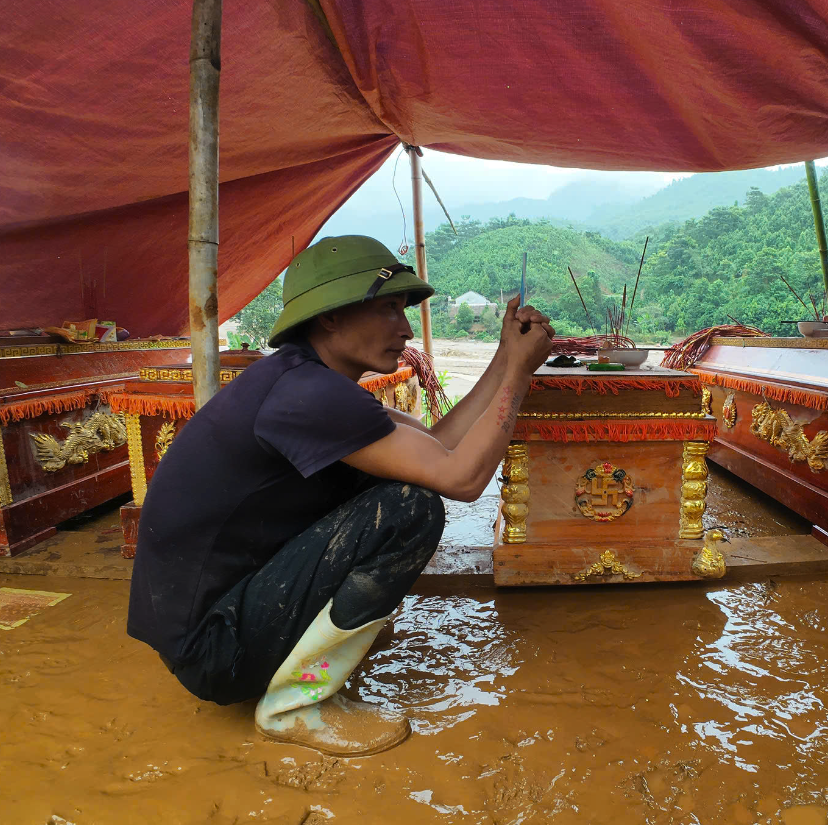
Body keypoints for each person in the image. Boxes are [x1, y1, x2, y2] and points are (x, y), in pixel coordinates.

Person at [127, 235, 554, 756]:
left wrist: (507, 359)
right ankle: (294, 704)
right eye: (388, 308)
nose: (404, 327)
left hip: (219, 623)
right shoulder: (306, 396)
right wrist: (518, 376)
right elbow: (463, 481)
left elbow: (437, 448)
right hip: (216, 650)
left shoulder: (309, 383)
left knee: (402, 483)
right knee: (409, 510)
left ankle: (306, 653)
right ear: (329, 318)